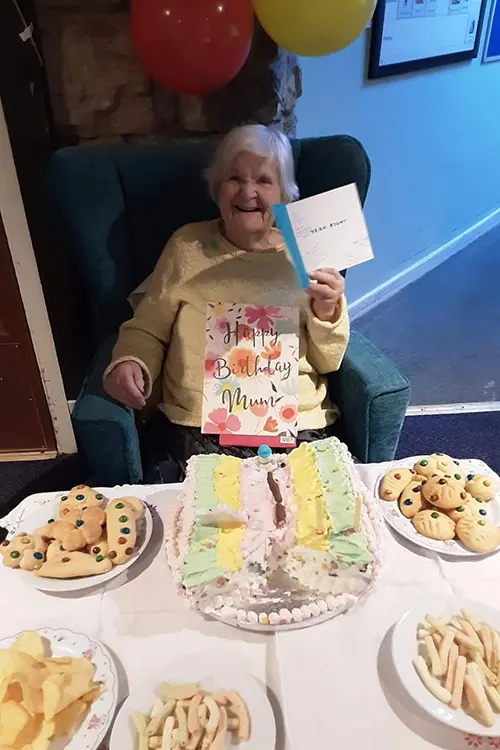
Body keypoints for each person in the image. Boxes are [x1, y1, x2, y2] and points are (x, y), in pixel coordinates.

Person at [103, 124, 349, 480]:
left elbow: (329, 361)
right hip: (199, 425)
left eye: (264, 180)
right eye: (234, 178)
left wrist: (327, 309)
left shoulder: (307, 251)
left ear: (284, 195)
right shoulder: (187, 246)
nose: (248, 192)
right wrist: (131, 360)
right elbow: (147, 328)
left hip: (295, 425)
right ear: (217, 188)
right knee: (200, 511)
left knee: (311, 508)